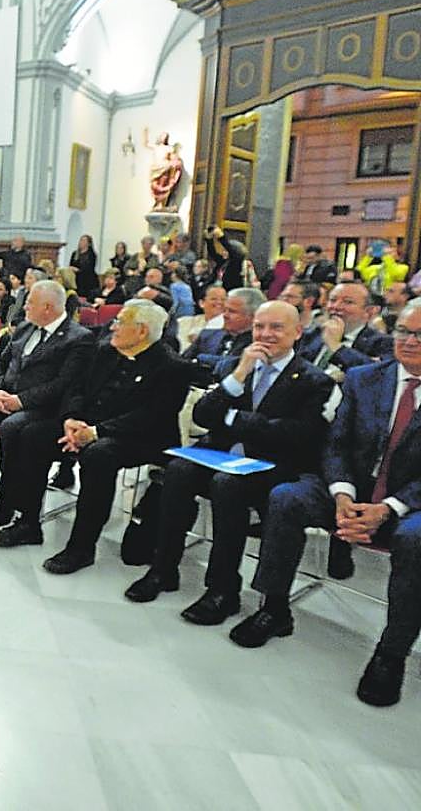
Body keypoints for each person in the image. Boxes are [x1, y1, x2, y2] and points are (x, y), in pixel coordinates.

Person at [228, 300, 421, 708]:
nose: (409, 342)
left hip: (409, 503)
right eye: (403, 331)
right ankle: (274, 607)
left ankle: (391, 653)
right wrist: (343, 494)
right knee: (287, 498)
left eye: (420, 335)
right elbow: (336, 445)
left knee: (414, 541)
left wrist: (386, 508)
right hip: (350, 490)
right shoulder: (364, 378)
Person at [124, 301, 335, 623]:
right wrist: (239, 375)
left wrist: (234, 418)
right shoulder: (235, 366)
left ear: (297, 332)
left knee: (228, 485)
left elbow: (299, 433)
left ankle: (222, 589)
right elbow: (203, 414)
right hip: (222, 454)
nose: (266, 334)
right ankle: (163, 568)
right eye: (260, 326)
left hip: (272, 465)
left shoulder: (314, 380)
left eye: (276, 328)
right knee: (178, 469)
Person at [0, 300, 191, 569]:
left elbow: (150, 417)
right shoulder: (105, 351)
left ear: (142, 331)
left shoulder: (172, 367)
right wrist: (71, 419)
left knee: (99, 455)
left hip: (140, 438)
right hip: (89, 425)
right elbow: (77, 388)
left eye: (121, 322)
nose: (113, 326)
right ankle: (28, 523)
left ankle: (81, 547)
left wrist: (95, 432)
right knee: (34, 435)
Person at [0, 280, 94, 528]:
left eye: (30, 302)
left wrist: (20, 401)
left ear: (48, 307)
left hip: (40, 406)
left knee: (12, 428)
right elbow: (0, 364)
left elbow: (63, 384)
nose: (24, 306)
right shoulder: (26, 327)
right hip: (5, 396)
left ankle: (7, 497)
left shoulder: (78, 339)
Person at [182, 287, 262, 384]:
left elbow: (234, 367)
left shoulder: (259, 345)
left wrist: (202, 358)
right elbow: (182, 363)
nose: (225, 315)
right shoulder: (207, 335)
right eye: (225, 310)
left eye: (232, 311)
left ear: (253, 316)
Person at [205, 226, 246, 291]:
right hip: (216, 288)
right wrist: (209, 239)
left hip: (230, 291)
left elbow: (232, 251)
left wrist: (221, 237)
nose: (223, 252)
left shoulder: (237, 262)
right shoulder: (223, 261)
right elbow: (212, 253)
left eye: (226, 251)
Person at [69, 234, 99, 300]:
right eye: (81, 240)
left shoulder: (92, 254)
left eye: (84, 240)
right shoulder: (75, 254)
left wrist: (78, 270)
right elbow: (71, 264)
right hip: (76, 279)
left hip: (88, 280)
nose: (81, 242)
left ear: (88, 243)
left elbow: (90, 268)